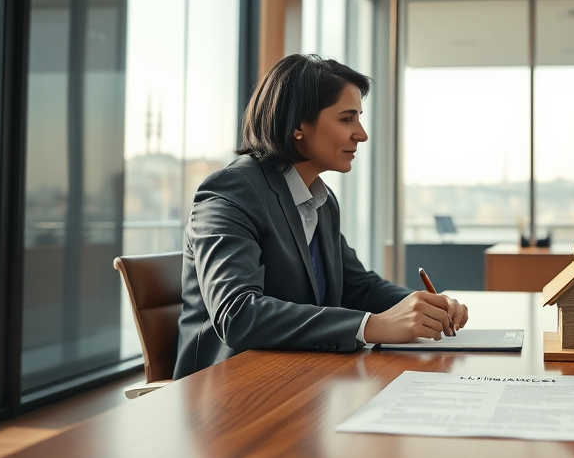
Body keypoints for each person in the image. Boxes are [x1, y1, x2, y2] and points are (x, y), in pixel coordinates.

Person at [175, 54, 468, 378]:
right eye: (347, 119)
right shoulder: (232, 191)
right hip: (230, 392)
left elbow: (357, 286)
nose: (362, 134)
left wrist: (425, 308)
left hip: (297, 379)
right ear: (299, 125)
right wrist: (373, 325)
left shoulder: (321, 200)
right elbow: (238, 314)